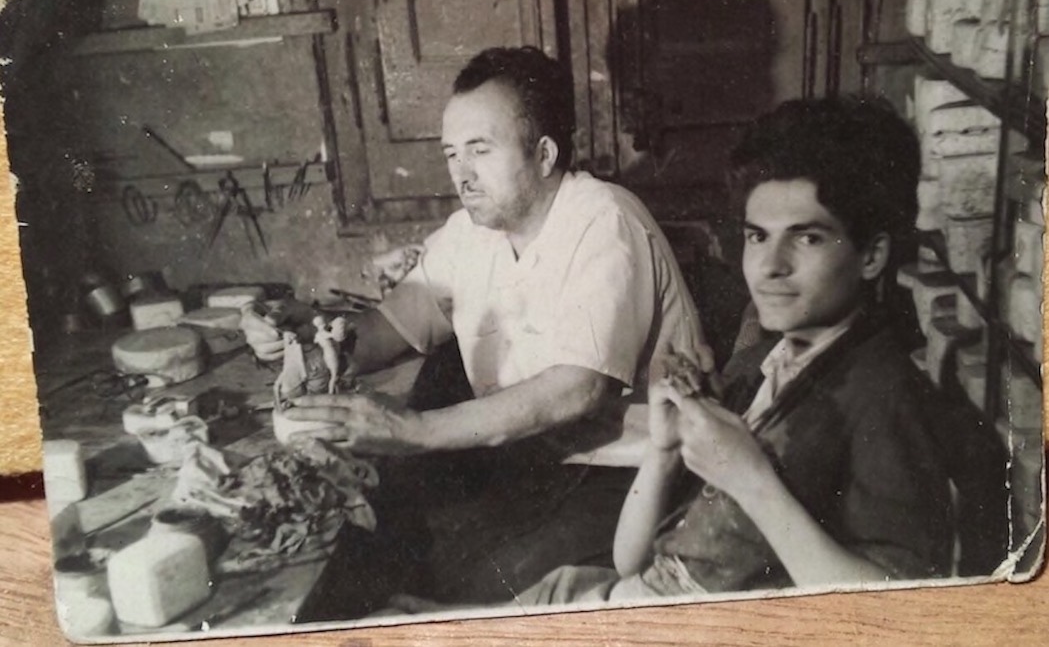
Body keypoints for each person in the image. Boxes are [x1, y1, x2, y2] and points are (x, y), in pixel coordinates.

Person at [393, 95, 1007, 613]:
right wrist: (664, 453)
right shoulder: (765, 364)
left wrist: (749, 477)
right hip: (615, 597)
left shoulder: (884, 394)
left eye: (808, 238)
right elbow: (630, 561)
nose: (770, 266)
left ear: (871, 256)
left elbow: (900, 613)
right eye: (758, 236)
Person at [243, 46, 707, 601]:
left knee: (457, 589)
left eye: (480, 151)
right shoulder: (472, 232)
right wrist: (308, 341)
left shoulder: (603, 220)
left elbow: (577, 388)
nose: (461, 174)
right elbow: (386, 330)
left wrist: (413, 430)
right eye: (452, 154)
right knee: (385, 539)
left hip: (628, 476)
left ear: (543, 154)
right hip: (536, 460)